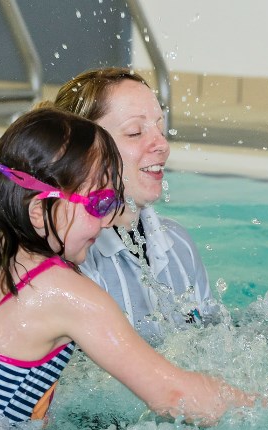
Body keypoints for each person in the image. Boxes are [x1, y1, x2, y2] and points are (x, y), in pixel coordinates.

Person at [0, 107, 253, 425]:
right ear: (38, 212)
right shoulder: (63, 293)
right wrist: (267, 408)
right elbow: (174, 394)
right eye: (99, 203)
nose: (106, 221)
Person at [52, 67, 214, 342]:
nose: (162, 144)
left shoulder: (178, 245)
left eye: (160, 129)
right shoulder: (69, 261)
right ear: (82, 153)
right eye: (135, 132)